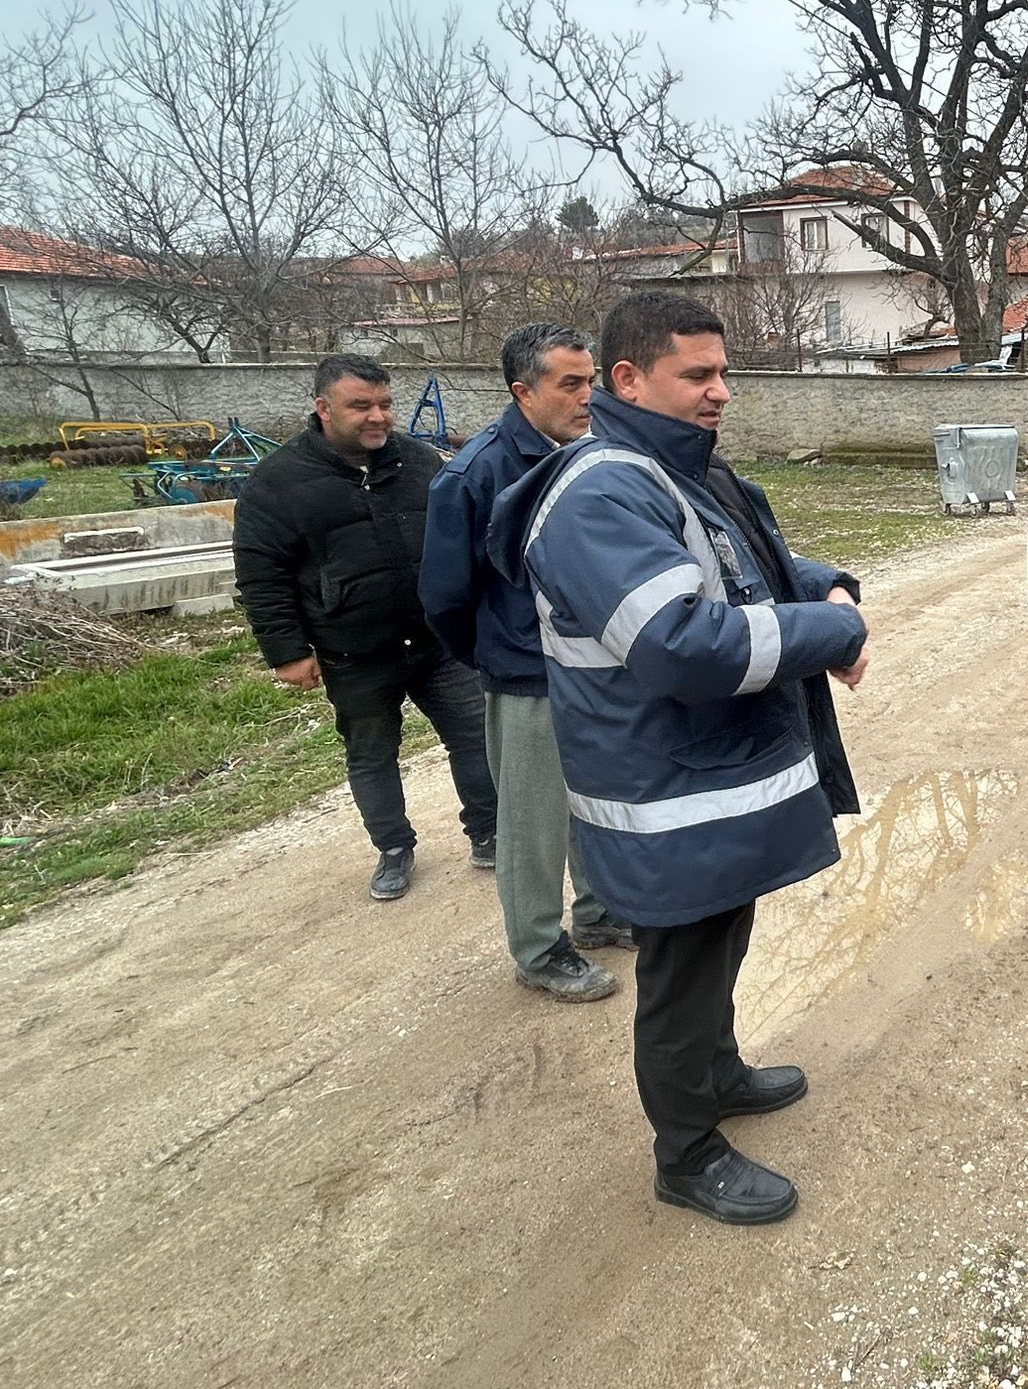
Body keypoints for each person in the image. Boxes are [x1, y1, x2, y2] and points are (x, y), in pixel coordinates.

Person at [488, 292, 870, 1226]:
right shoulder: (599, 492)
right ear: (629, 379)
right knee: (680, 972)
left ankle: (720, 1071)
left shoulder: (672, 472)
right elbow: (676, 641)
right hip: (665, 792)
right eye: (698, 375)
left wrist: (821, 584)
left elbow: (742, 564)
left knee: (721, 941)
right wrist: (832, 629)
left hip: (710, 783)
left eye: (722, 372)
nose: (722, 392)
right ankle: (686, 1151)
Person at [420, 323, 634, 1001]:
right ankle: (540, 951)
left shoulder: (590, 451)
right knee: (534, 823)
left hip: (593, 667)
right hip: (527, 674)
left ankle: (599, 914)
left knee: (597, 799)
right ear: (523, 391)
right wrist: (499, 658)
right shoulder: (475, 473)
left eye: (590, 380)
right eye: (570, 384)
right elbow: (445, 597)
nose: (587, 396)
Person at [233, 355, 496, 902]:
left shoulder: (421, 462)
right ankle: (394, 848)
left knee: (474, 739)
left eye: (384, 404)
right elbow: (261, 574)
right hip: (352, 650)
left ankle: (488, 832)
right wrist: (286, 650)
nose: (378, 417)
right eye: (361, 406)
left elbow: (462, 539)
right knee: (372, 753)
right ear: (323, 408)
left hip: (437, 640)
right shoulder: (278, 482)